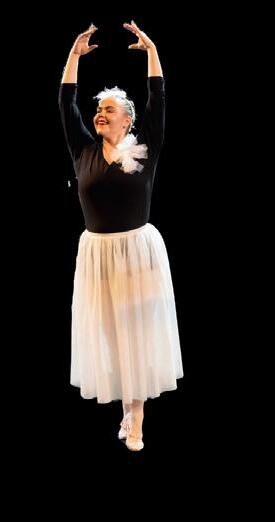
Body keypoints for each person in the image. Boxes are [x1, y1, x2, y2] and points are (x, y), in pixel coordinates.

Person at [59, 21, 183, 452]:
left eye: (109, 109)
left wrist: (152, 52)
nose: (101, 113)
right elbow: (66, 102)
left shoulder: (145, 146)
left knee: (137, 329)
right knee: (110, 331)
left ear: (127, 119)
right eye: (99, 109)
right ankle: (126, 407)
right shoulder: (84, 151)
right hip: (98, 253)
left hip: (137, 252)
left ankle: (137, 415)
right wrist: (74, 57)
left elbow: (158, 99)